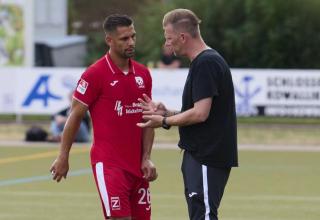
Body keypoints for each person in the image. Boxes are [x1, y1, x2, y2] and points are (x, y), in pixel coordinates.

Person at [50, 14, 157, 220]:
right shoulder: (95, 74)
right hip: (110, 166)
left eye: (133, 36)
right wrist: (63, 155)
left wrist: (146, 158)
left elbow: (148, 118)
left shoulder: (143, 74)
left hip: (138, 168)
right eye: (124, 39)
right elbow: (75, 115)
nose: (131, 42)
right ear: (109, 40)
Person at [137, 9, 238, 220]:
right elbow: (201, 111)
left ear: (183, 37)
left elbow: (201, 114)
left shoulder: (206, 63)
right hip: (200, 154)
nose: (167, 44)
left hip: (207, 155)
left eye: (169, 38)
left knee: (204, 215)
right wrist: (169, 112)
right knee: (199, 214)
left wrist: (164, 121)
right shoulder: (203, 62)